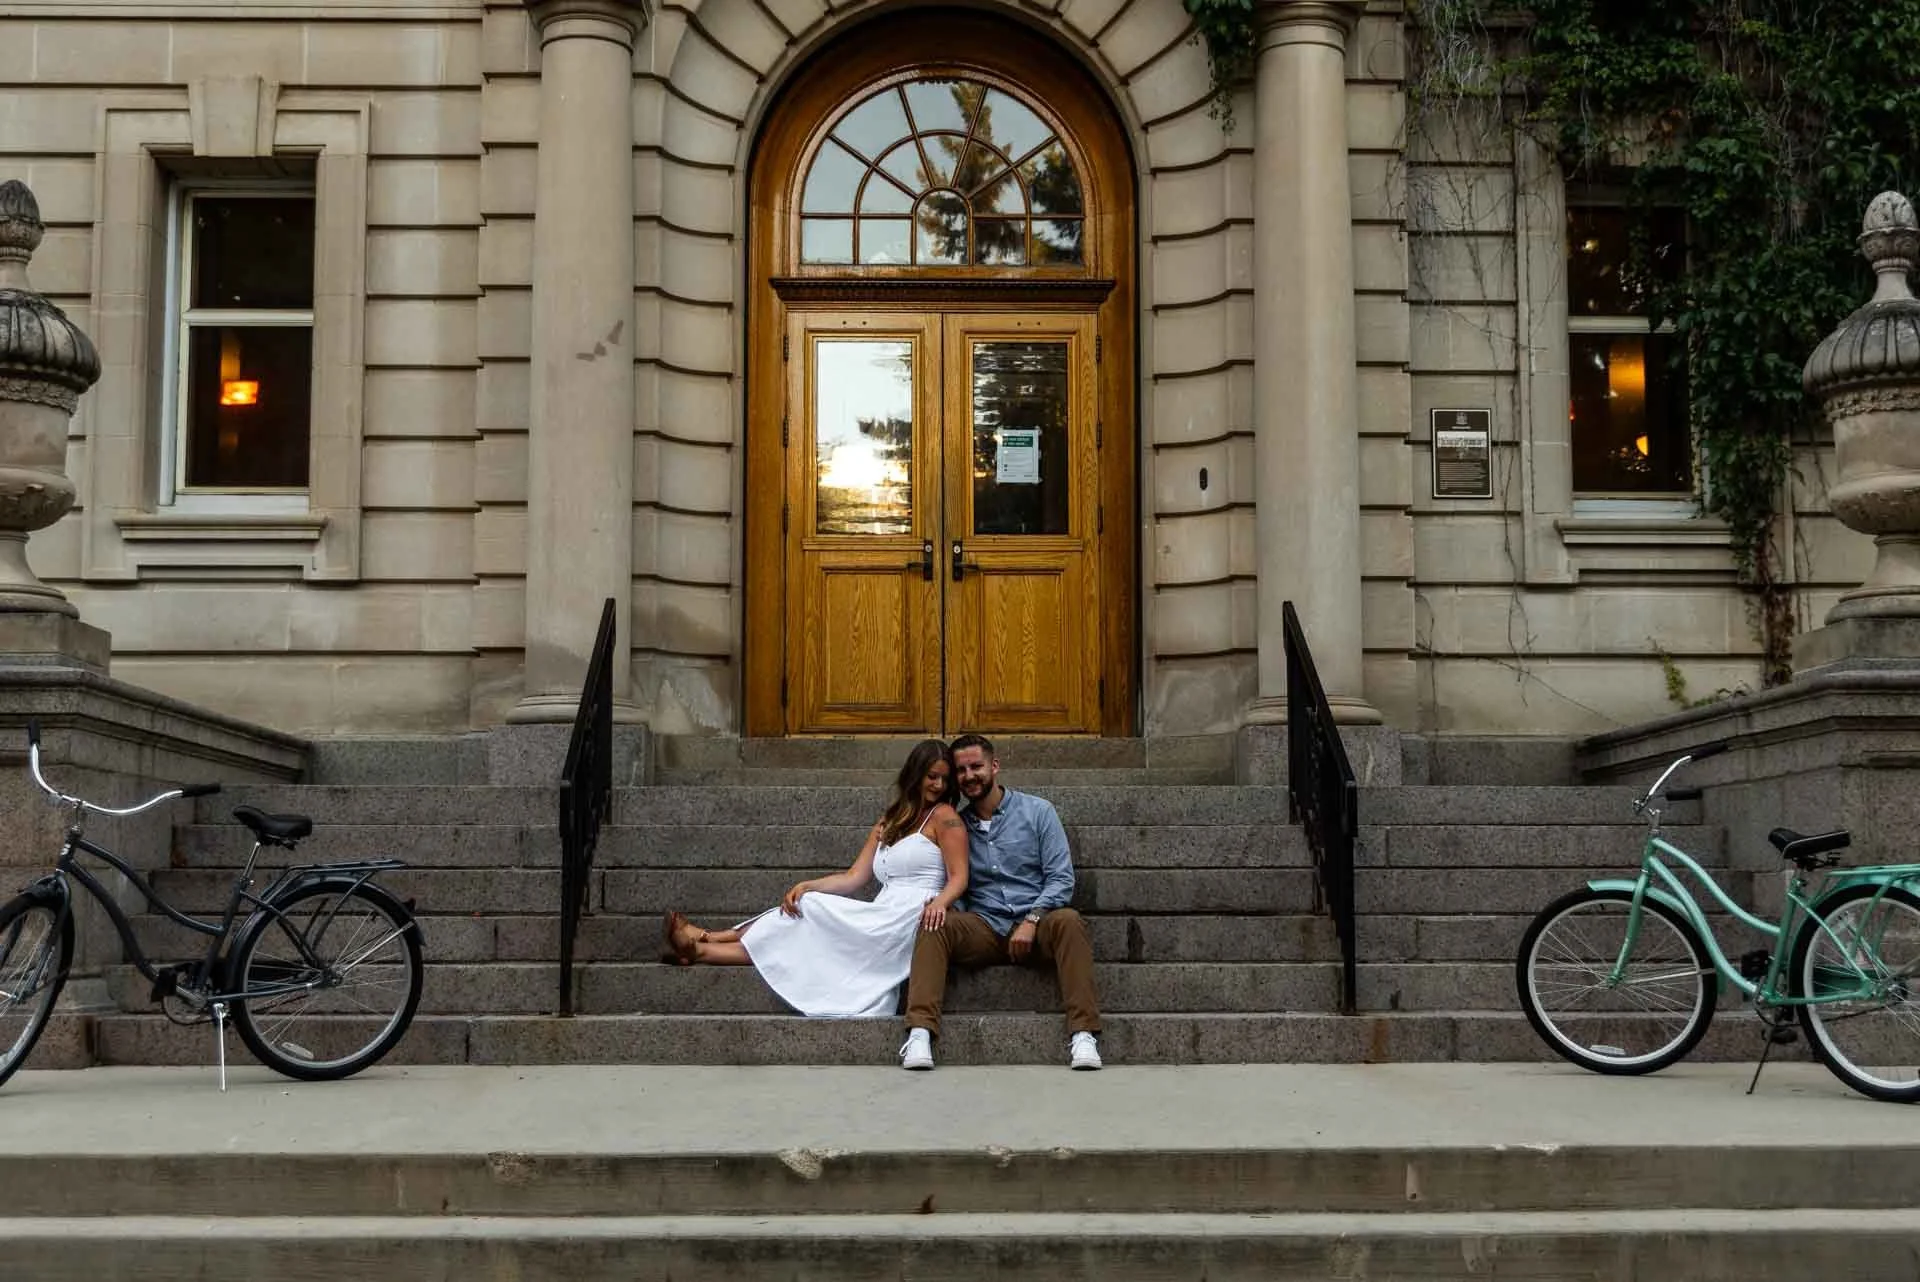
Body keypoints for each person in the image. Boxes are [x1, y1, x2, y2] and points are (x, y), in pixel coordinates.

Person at [661, 738, 969, 1019]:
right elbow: (854, 877)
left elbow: (959, 877)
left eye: (945, 778)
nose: (939, 785)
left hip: (914, 915)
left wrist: (940, 903)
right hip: (883, 910)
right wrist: (808, 885)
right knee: (805, 905)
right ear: (915, 774)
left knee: (809, 915)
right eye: (932, 776)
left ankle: (707, 938)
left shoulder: (945, 818)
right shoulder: (891, 820)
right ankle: (702, 948)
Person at [898, 733, 1103, 1071]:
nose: (969, 776)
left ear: (994, 766)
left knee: (1069, 921)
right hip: (986, 927)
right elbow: (957, 884)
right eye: (961, 770)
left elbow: (1061, 879)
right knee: (936, 921)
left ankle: (1083, 1034)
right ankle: (920, 1031)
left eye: (976, 766)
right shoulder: (956, 824)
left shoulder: (1038, 812)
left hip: (1039, 924)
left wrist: (1032, 920)